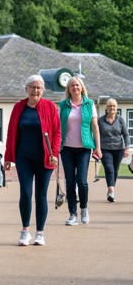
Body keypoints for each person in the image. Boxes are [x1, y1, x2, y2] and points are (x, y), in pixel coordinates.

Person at [4, 75, 61, 246]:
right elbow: (11, 133)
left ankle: (40, 233)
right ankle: (25, 231)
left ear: (42, 90)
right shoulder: (18, 107)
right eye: (33, 87)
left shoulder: (49, 107)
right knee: (26, 193)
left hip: (45, 157)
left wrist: (55, 153)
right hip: (24, 157)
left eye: (39, 88)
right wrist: (8, 157)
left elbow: (57, 132)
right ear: (26, 89)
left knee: (41, 195)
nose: (36, 91)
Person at [59, 76, 101, 226]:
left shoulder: (89, 104)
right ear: (68, 89)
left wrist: (98, 147)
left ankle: (84, 208)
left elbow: (95, 127)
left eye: (77, 85)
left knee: (82, 181)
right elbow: (58, 127)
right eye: (72, 86)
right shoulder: (63, 105)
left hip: (84, 148)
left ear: (81, 87)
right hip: (67, 148)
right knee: (70, 182)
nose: (75, 88)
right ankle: (72, 214)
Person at [97, 98, 130, 202]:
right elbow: (96, 135)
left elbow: (125, 134)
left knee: (115, 170)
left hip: (119, 149)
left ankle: (111, 190)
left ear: (116, 108)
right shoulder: (101, 120)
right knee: (109, 168)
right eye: (110, 106)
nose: (112, 108)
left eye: (114, 106)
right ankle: (111, 190)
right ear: (106, 107)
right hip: (105, 148)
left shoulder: (120, 120)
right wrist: (96, 148)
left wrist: (127, 148)